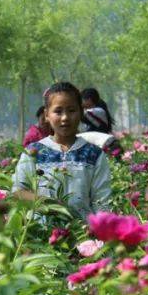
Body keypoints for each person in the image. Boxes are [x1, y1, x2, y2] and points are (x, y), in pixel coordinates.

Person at [13, 82, 112, 220]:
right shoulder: (33, 152)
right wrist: (48, 203)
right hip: (40, 234)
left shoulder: (94, 154)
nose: (65, 117)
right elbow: (18, 191)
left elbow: (102, 201)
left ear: (81, 112)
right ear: (47, 114)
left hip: (82, 234)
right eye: (58, 111)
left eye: (71, 110)